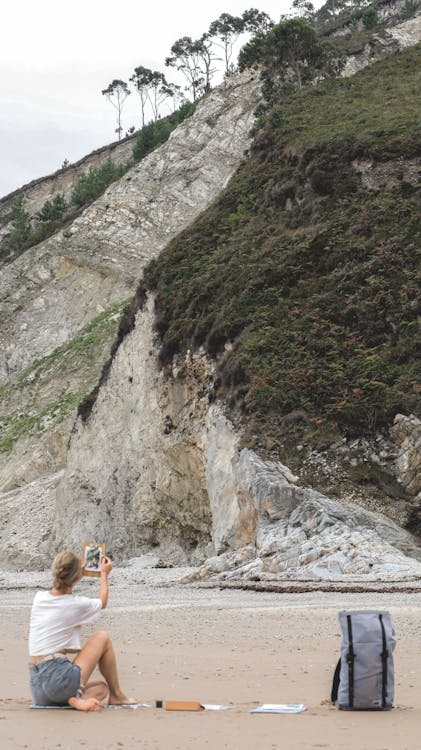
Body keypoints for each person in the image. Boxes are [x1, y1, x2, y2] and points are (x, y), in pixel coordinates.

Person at [28, 550, 133, 711]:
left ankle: (73, 699)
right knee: (102, 637)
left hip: (38, 688)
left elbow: (61, 586)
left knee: (101, 688)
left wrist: (76, 573)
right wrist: (104, 575)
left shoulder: (39, 598)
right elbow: (102, 602)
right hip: (58, 678)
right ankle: (116, 695)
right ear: (76, 577)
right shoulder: (75, 604)